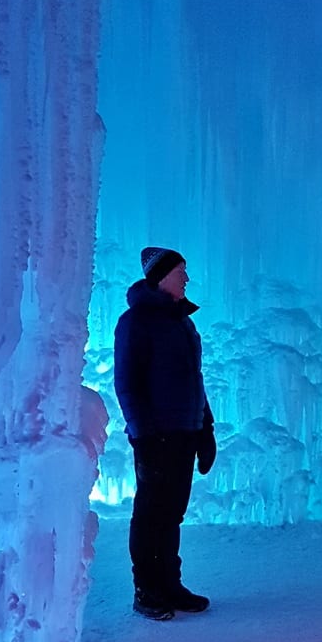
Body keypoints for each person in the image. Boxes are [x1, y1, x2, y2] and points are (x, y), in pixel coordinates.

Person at [113, 246, 217, 621]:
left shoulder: (182, 323)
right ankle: (147, 590)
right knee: (150, 513)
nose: (186, 278)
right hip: (156, 436)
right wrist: (143, 436)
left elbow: (195, 382)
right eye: (181, 272)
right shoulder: (135, 323)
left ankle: (169, 585)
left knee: (172, 513)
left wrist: (205, 429)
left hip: (184, 433)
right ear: (162, 277)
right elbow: (127, 383)